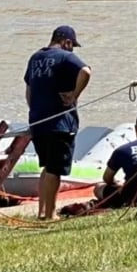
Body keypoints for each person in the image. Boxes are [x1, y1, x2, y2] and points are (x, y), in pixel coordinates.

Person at [24, 25, 91, 220]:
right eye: (72, 45)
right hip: (60, 123)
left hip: (38, 121)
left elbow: (29, 91)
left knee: (46, 168)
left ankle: (42, 212)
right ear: (67, 42)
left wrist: (35, 111)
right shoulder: (65, 56)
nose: (72, 49)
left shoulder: (35, 57)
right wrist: (74, 95)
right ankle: (51, 214)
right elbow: (86, 71)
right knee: (55, 170)